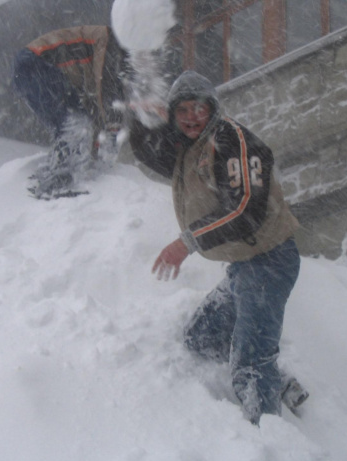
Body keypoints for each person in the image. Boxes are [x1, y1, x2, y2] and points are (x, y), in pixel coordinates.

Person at [128, 70, 306, 424]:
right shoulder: (189, 151)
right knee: (201, 337)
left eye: (199, 108)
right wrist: (142, 118)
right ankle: (280, 381)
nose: (192, 116)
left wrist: (186, 243)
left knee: (250, 365)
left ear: (213, 109)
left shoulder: (231, 139)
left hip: (269, 263)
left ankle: (268, 437)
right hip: (243, 268)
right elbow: (148, 153)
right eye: (183, 110)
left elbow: (246, 210)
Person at [12, 25, 130, 199]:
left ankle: (50, 174)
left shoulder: (94, 66)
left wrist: (95, 146)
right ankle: (58, 181)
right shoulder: (108, 42)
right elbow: (107, 89)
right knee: (76, 125)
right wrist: (112, 131)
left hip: (29, 68)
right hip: (34, 63)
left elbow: (93, 110)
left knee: (70, 126)